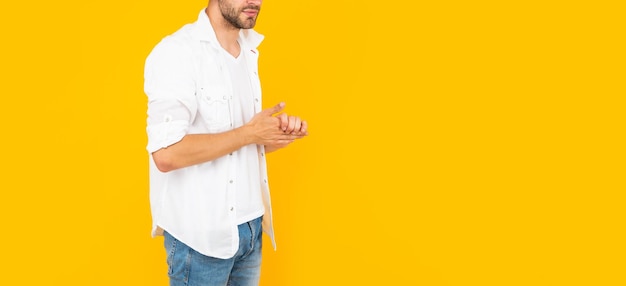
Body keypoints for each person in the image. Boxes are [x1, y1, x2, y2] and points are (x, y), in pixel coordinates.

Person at [143, 0, 307, 285]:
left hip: (251, 229)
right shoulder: (177, 53)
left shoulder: (247, 50)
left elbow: (235, 144)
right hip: (201, 239)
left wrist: (271, 135)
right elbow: (166, 154)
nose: (255, 1)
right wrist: (250, 133)